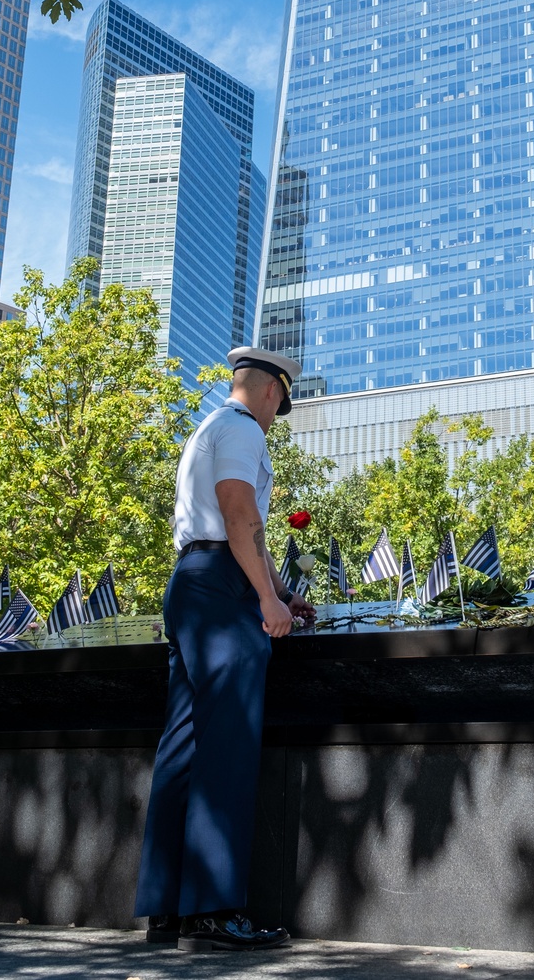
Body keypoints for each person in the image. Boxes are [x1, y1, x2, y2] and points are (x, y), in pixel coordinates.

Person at [134, 346, 315, 954]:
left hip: (192, 583)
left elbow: (247, 531)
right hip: (222, 591)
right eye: (280, 406)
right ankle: (212, 909)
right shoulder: (242, 431)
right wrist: (267, 601)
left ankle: (166, 908)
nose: (276, 417)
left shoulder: (207, 429)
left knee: (182, 744)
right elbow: (239, 513)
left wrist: (284, 592)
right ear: (271, 392)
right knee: (228, 745)